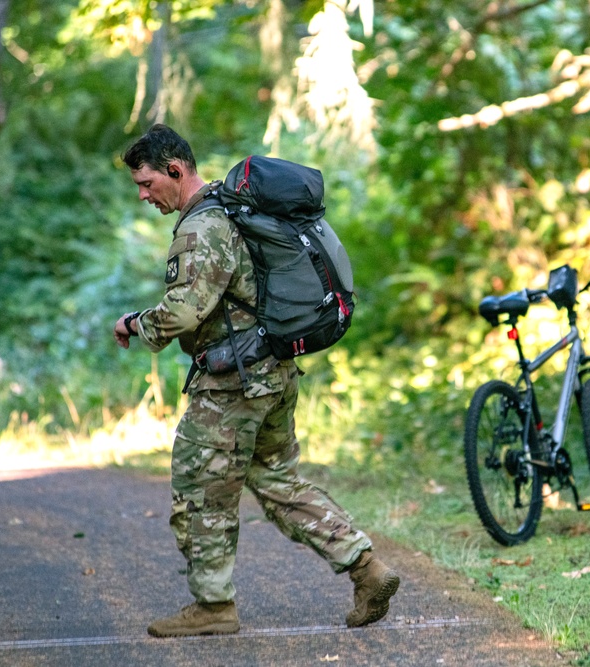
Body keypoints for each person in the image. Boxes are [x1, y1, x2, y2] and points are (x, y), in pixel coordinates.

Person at [112, 124, 399, 637]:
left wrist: (135, 324)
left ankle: (213, 606)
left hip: (234, 385)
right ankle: (366, 567)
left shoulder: (203, 226)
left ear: (175, 170)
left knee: (201, 491)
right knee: (278, 482)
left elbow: (185, 311)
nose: (143, 195)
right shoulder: (231, 211)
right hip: (273, 371)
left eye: (147, 183)